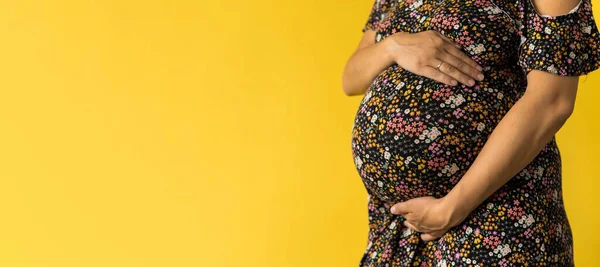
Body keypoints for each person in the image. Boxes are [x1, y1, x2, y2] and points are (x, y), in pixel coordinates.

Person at [342, 0, 600, 265]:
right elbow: (350, 78)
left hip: (496, 215)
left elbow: (552, 102)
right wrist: (392, 46)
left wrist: (451, 209)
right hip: (400, 227)